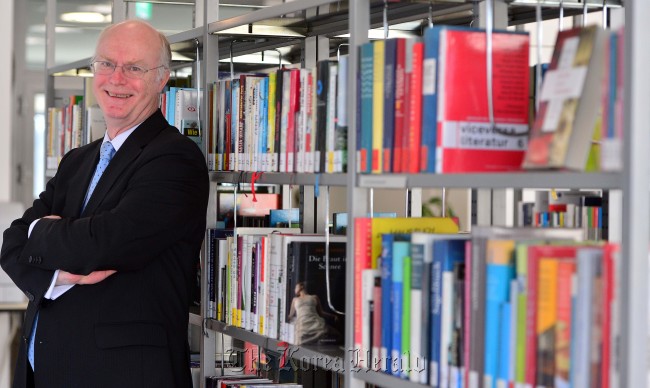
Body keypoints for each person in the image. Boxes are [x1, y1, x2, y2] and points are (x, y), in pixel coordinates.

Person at [0, 20, 208, 388]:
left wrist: (40, 230)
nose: (116, 78)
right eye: (106, 64)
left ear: (162, 79)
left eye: (134, 68)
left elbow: (106, 242)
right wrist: (58, 275)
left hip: (121, 376)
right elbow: (12, 244)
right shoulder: (77, 160)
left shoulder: (175, 159)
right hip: (43, 372)